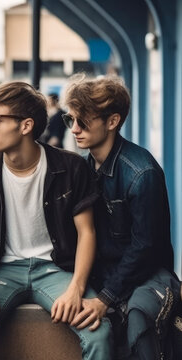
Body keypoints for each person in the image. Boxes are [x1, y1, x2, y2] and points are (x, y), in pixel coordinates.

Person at [0, 81, 112, 360]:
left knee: (100, 333)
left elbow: (87, 233)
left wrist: (76, 289)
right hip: (2, 272)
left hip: (56, 269)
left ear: (25, 125)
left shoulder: (70, 167)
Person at [64, 75, 181, 359]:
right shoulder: (81, 169)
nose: (75, 129)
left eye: (84, 120)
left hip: (148, 274)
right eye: (71, 120)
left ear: (113, 121)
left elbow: (145, 249)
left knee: (140, 322)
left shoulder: (141, 173)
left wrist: (106, 298)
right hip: (102, 272)